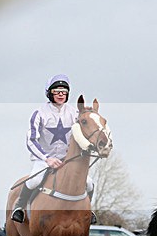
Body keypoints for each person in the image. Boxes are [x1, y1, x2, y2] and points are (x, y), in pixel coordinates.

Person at [11, 74, 95, 224]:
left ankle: (88, 210)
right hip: (44, 159)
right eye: (57, 92)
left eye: (64, 92)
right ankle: (19, 207)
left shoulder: (74, 113)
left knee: (89, 183)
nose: (61, 95)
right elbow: (31, 140)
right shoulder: (39, 113)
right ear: (50, 93)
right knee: (34, 180)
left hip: (67, 160)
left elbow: (83, 131)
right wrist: (46, 158)